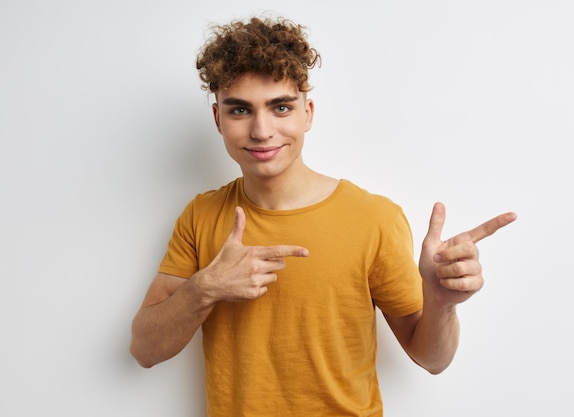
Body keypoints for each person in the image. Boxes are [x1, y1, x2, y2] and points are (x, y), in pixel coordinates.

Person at [130, 15, 517, 416]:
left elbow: (433, 359)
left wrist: (440, 305)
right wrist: (205, 287)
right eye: (240, 110)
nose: (262, 130)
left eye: (281, 107)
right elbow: (144, 349)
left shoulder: (373, 218)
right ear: (218, 120)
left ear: (307, 113)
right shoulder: (201, 215)